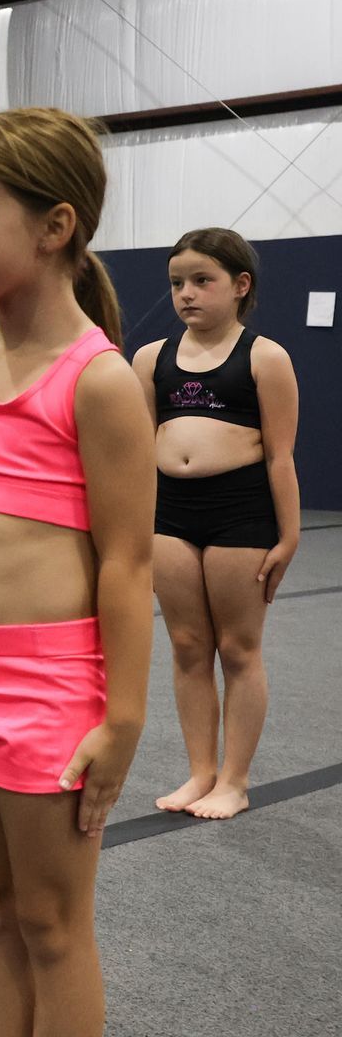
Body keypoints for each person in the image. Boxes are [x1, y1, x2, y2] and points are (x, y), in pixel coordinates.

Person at [0, 107, 153, 1036]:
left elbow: (128, 566)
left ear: (56, 227)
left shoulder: (97, 381)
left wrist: (122, 718)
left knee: (52, 923)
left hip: (49, 690)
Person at [131, 228, 298, 820]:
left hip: (240, 510)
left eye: (203, 281)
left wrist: (289, 536)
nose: (187, 294)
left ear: (240, 286)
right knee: (186, 644)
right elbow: (137, 449)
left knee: (238, 647)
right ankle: (200, 770)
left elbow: (280, 455)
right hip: (170, 512)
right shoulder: (150, 359)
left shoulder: (264, 357)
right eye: (178, 283)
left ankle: (235, 779)